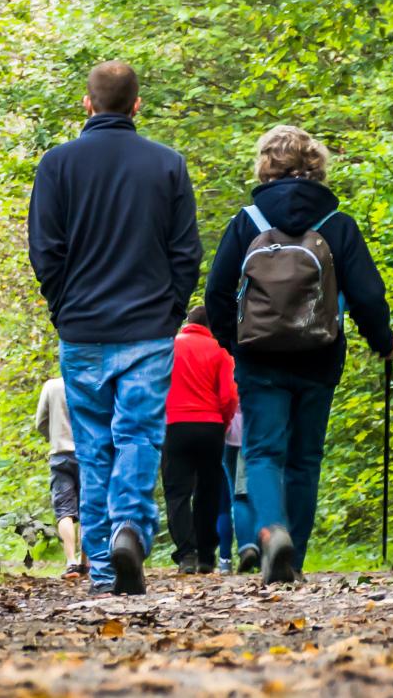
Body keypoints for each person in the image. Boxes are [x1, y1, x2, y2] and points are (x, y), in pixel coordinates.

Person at [29, 61, 202, 595]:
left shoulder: (56, 165)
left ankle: (104, 569)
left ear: (87, 104)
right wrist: (170, 313)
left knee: (94, 446)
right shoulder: (168, 165)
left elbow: (45, 251)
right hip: (149, 330)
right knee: (139, 436)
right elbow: (186, 253)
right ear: (136, 105)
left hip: (82, 330)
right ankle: (130, 526)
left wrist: (64, 307)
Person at [206, 125, 393, 583]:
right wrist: (382, 340)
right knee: (305, 458)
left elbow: (216, 291)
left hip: (260, 359)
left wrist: (233, 344)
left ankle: (273, 531)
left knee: (264, 453)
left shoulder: (247, 221)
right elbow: (367, 296)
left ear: (265, 165)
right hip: (319, 355)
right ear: (316, 165)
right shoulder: (336, 224)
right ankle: (296, 556)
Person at [162, 305, 238, 575]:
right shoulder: (219, 351)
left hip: (175, 426)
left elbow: (157, 385)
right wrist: (223, 422)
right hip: (211, 427)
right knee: (209, 490)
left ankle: (187, 554)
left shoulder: (169, 347)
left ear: (188, 323)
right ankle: (207, 554)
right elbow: (229, 396)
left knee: (177, 492)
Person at [36, 377, 88, 580]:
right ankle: (87, 562)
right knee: (87, 508)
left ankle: (71, 561)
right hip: (87, 454)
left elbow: (40, 422)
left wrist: (54, 437)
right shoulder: (89, 382)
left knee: (65, 510)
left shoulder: (51, 386)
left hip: (60, 456)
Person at [223, 407, 259, 573]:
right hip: (258, 429)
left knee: (239, 496)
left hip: (231, 433)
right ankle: (262, 552)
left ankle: (247, 547)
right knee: (258, 494)